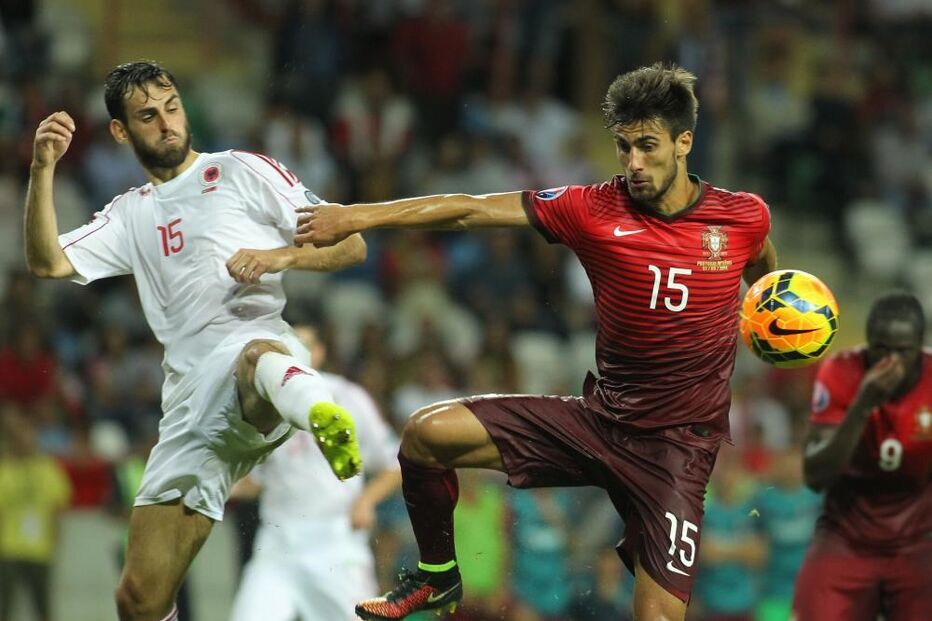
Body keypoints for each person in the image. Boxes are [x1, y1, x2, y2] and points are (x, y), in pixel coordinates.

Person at [295, 62, 778, 621]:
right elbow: (471, 210)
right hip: (599, 423)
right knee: (426, 434)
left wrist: (769, 327)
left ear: (684, 142)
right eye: (623, 147)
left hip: (675, 452)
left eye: (648, 146)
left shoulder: (743, 218)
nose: (633, 163)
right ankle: (437, 576)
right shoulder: (592, 208)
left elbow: (769, 284)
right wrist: (355, 215)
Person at [24, 60, 366, 621]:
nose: (166, 123)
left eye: (173, 107)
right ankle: (307, 402)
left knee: (252, 355)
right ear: (120, 131)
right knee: (139, 598)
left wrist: (282, 255)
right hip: (189, 409)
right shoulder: (129, 213)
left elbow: (351, 245)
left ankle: (319, 410)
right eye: (148, 116)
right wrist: (42, 170)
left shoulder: (241, 170)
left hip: (262, 358)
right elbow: (47, 262)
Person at [228, 324, 401, 621]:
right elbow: (258, 480)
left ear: (320, 352)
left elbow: (394, 465)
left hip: (335, 542)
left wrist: (366, 501)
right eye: (288, 347)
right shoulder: (265, 403)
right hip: (277, 544)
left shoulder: (347, 396)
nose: (296, 353)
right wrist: (219, 489)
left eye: (305, 346)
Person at [793, 292, 932, 621]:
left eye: (903, 351)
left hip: (918, 540)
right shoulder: (840, 372)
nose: (891, 362)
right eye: (881, 349)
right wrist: (862, 405)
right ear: (867, 344)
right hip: (846, 536)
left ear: (920, 349)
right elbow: (816, 476)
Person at [0, 403, 72, 621]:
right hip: (9, 548)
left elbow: (58, 507)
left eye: (30, 437)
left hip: (40, 549)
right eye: (21, 438)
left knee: (43, 607)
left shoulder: (48, 467)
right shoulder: (5, 468)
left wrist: (56, 538)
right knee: (6, 607)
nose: (26, 442)